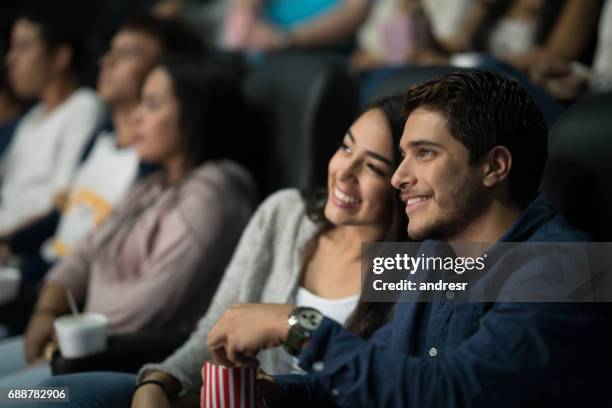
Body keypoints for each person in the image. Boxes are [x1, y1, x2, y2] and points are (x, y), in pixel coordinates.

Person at [205, 71, 612, 406]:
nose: (399, 177)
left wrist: (295, 323)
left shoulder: (571, 268)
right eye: (403, 156)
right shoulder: (435, 252)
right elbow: (384, 370)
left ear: (495, 166)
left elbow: (448, 393)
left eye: (426, 153)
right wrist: (277, 392)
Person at [34, 93, 409, 407]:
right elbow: (214, 329)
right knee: (42, 395)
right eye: (345, 147)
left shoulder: (414, 266)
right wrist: (160, 382)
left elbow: (383, 385)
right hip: (223, 397)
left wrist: (291, 327)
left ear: (403, 185)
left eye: (373, 167)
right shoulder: (286, 215)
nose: (344, 171)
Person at [0, 56, 256, 388]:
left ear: (194, 114)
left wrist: (73, 321)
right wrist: (46, 312)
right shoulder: (152, 185)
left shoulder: (213, 195)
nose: (136, 116)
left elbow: (145, 310)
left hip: (132, 365)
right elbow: (84, 252)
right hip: (74, 347)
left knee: (10, 398)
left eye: (152, 104)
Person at [0, 17, 205, 327]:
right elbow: (67, 217)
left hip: (75, 302)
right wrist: (11, 246)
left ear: (165, 73)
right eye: (111, 50)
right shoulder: (103, 136)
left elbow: (103, 252)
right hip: (48, 276)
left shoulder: (157, 164)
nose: (106, 61)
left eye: (128, 54)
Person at [1, 0, 104, 236]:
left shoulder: (83, 107)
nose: (10, 60)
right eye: (12, 47)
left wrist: (12, 243)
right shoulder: (32, 117)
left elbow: (60, 202)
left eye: (24, 47)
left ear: (60, 57)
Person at [222, 0, 371, 53]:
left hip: (324, 60)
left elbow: (356, 12)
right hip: (262, 52)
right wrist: (245, 11)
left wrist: (285, 39)